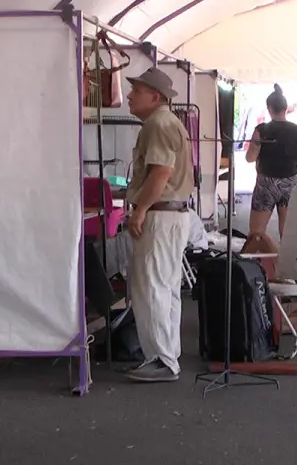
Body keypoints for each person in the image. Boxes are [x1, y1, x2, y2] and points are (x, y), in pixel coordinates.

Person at [123, 67, 194, 383]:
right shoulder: (168, 122)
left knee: (151, 286)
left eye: (136, 91)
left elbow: (160, 173)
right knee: (165, 286)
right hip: (173, 214)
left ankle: (161, 358)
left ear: (154, 96)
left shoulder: (158, 124)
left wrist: (140, 209)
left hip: (161, 215)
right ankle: (167, 354)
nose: (129, 96)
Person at [246, 84, 297, 238]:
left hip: (266, 183)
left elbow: (250, 158)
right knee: (288, 235)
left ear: (269, 108)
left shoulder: (261, 130)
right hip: (291, 183)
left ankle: (258, 254)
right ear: (285, 108)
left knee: (256, 233)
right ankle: (287, 255)